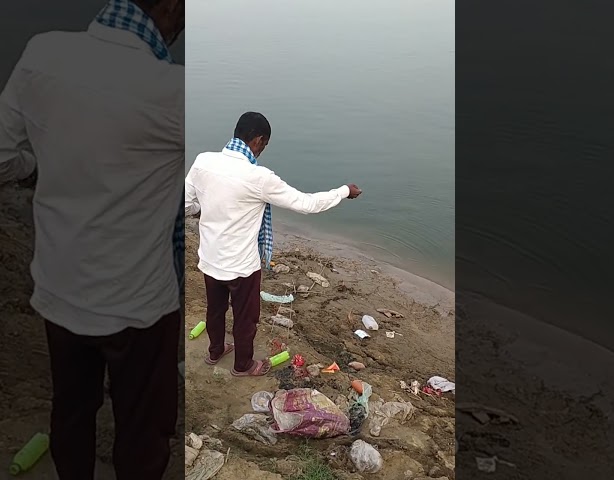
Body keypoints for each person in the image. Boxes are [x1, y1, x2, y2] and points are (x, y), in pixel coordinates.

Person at [0, 0, 185, 478]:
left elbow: (4, 158)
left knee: (72, 413)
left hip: (60, 293)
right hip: (138, 308)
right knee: (143, 434)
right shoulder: (173, 91)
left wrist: (42, 162)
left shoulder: (42, 54)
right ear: (167, 8)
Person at [185, 112, 362, 377]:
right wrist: (343, 191)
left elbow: (187, 205)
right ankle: (243, 365)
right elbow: (306, 204)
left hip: (210, 258)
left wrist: (207, 210)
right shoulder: (259, 177)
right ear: (258, 140)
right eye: (264, 146)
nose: (262, 152)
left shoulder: (203, 162)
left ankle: (215, 351)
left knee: (215, 309)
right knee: (245, 318)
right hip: (242, 266)